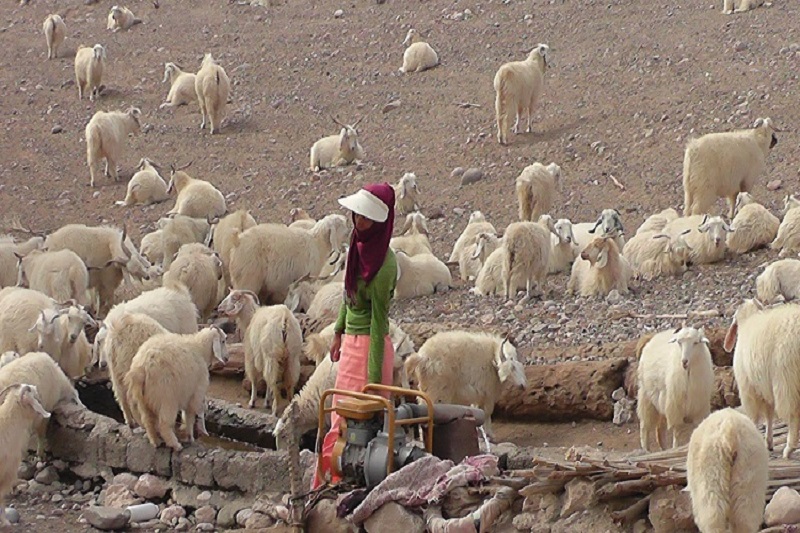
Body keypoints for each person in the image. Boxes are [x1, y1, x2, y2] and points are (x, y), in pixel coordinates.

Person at [312, 182, 398, 489]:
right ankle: (330, 480)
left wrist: (374, 379)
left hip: (370, 348)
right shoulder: (358, 248)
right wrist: (337, 332)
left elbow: (378, 322)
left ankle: (360, 480)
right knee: (338, 416)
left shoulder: (385, 265)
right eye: (356, 215)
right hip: (351, 344)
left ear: (380, 221)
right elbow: (349, 297)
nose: (357, 221)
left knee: (368, 416)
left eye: (364, 217)